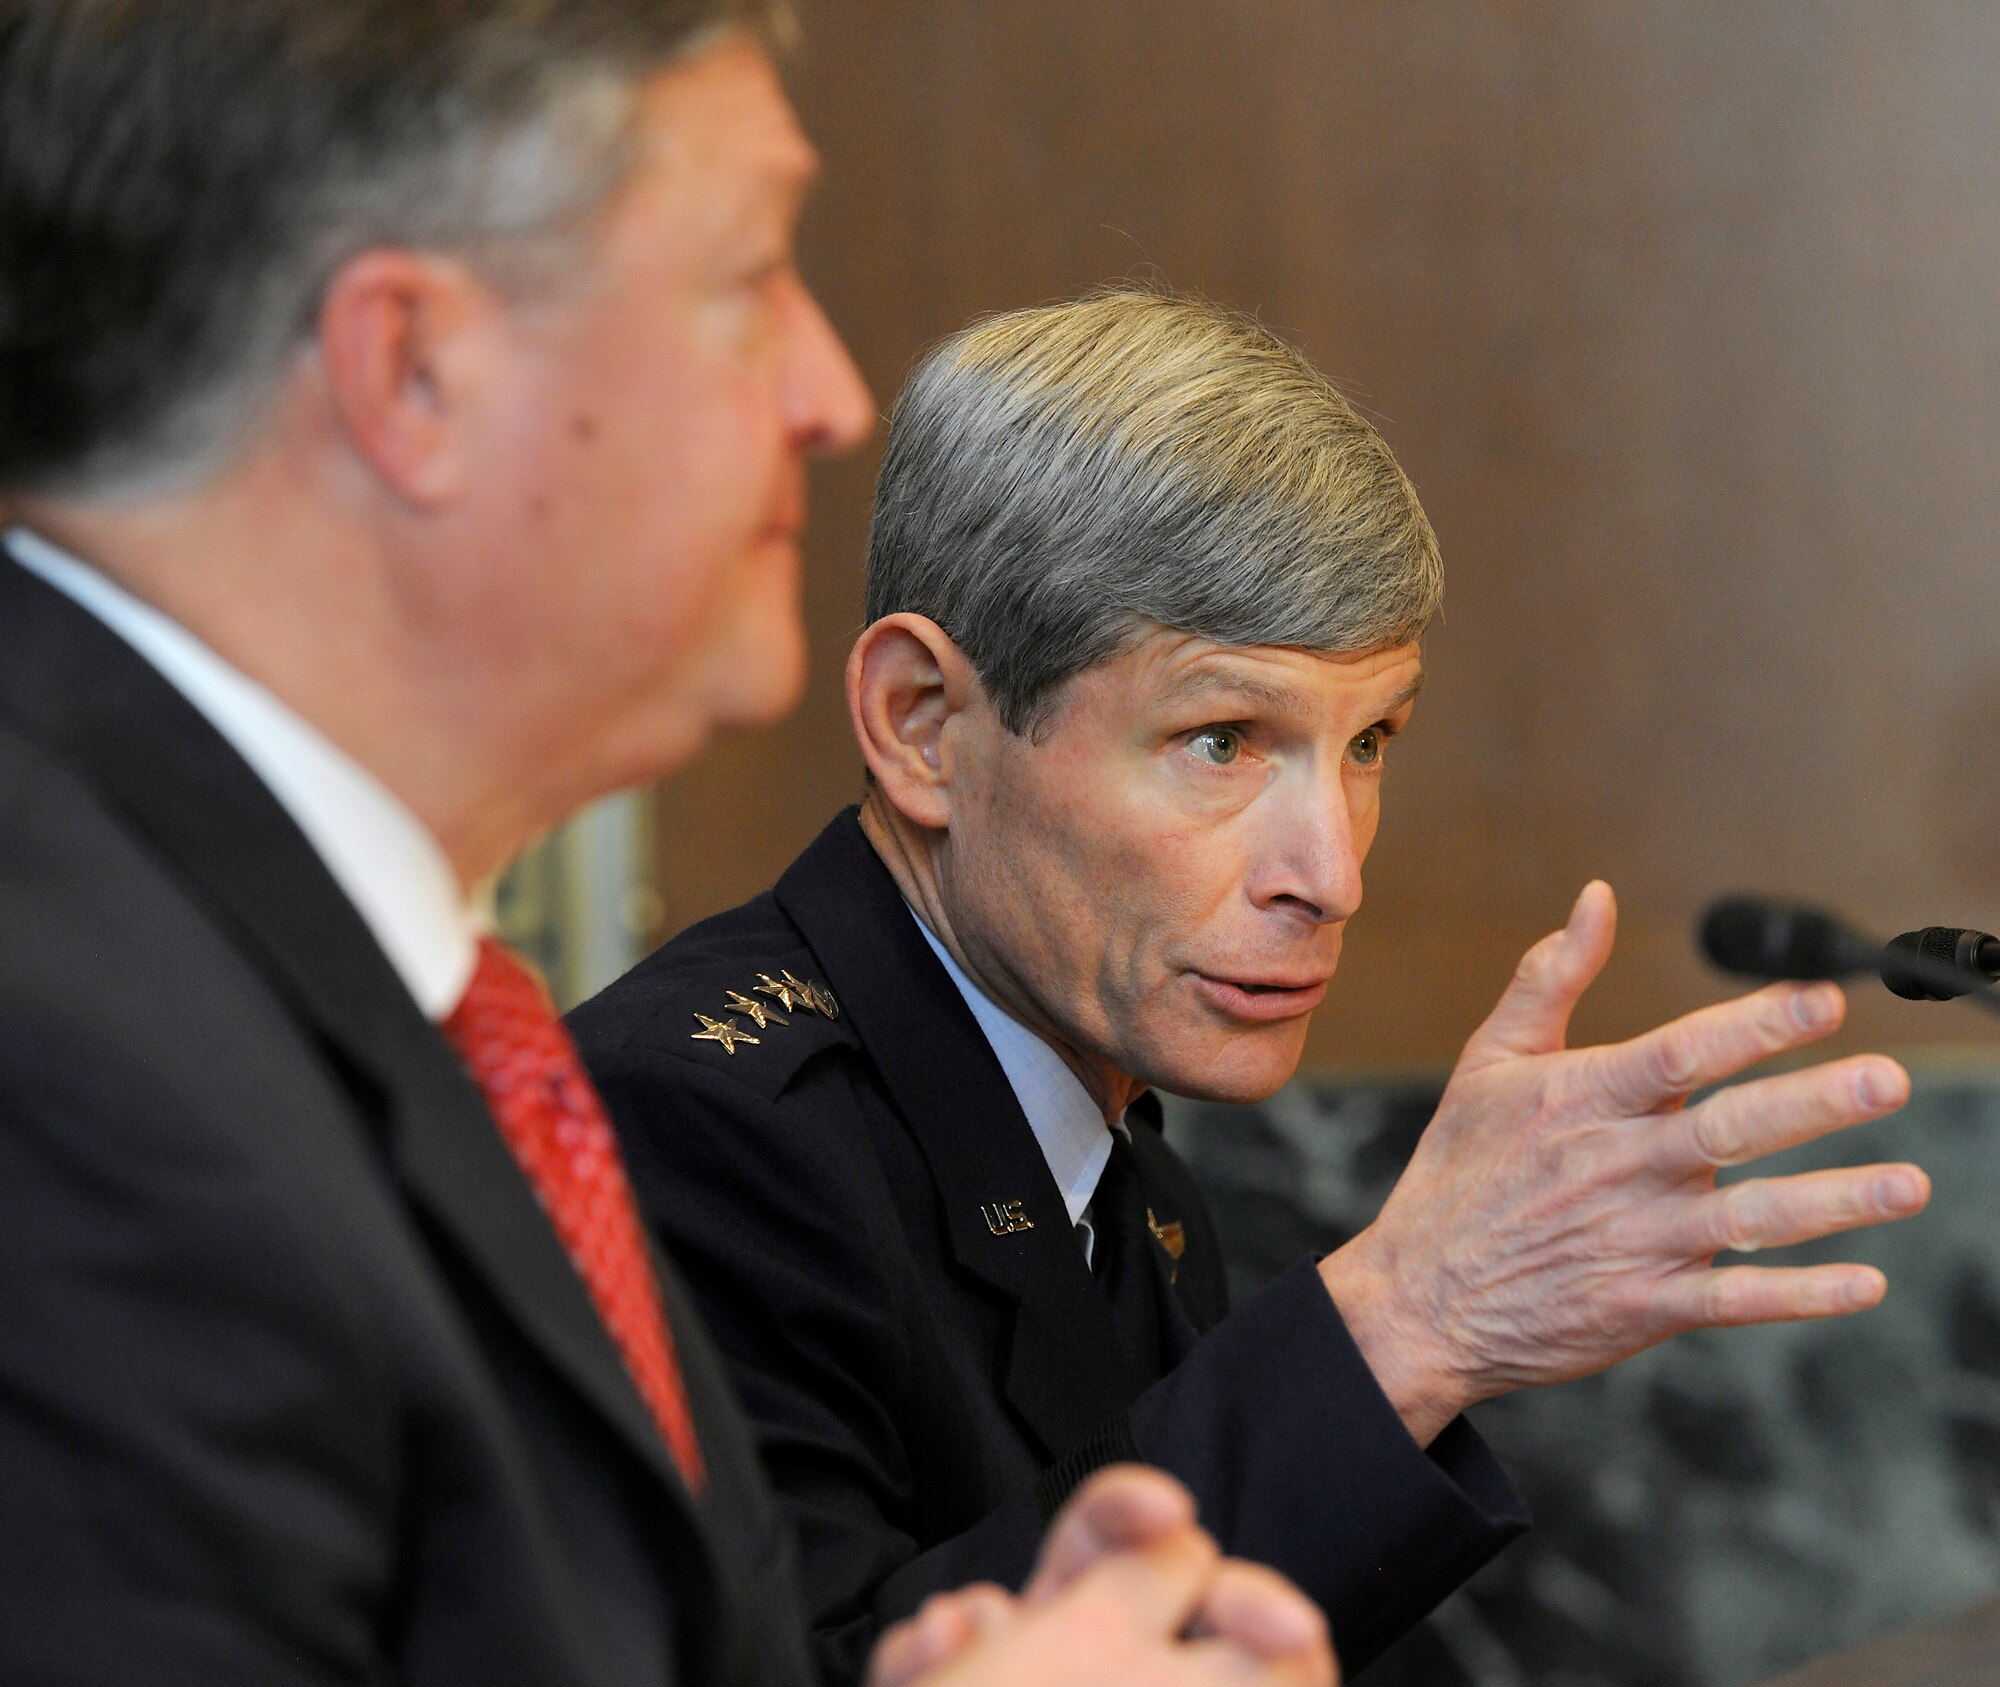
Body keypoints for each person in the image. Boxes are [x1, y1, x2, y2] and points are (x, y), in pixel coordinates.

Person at [0, 7, 1339, 1686]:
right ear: (414, 369)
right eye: (752, 276)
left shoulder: (239, 964)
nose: (829, 392)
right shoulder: (64, 1057)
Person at [571, 288, 1934, 1682]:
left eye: (1368, 743)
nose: (1331, 872)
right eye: (1224, 740)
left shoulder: (1121, 1169)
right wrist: (1406, 1320)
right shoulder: (689, 1126)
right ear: (925, 728)